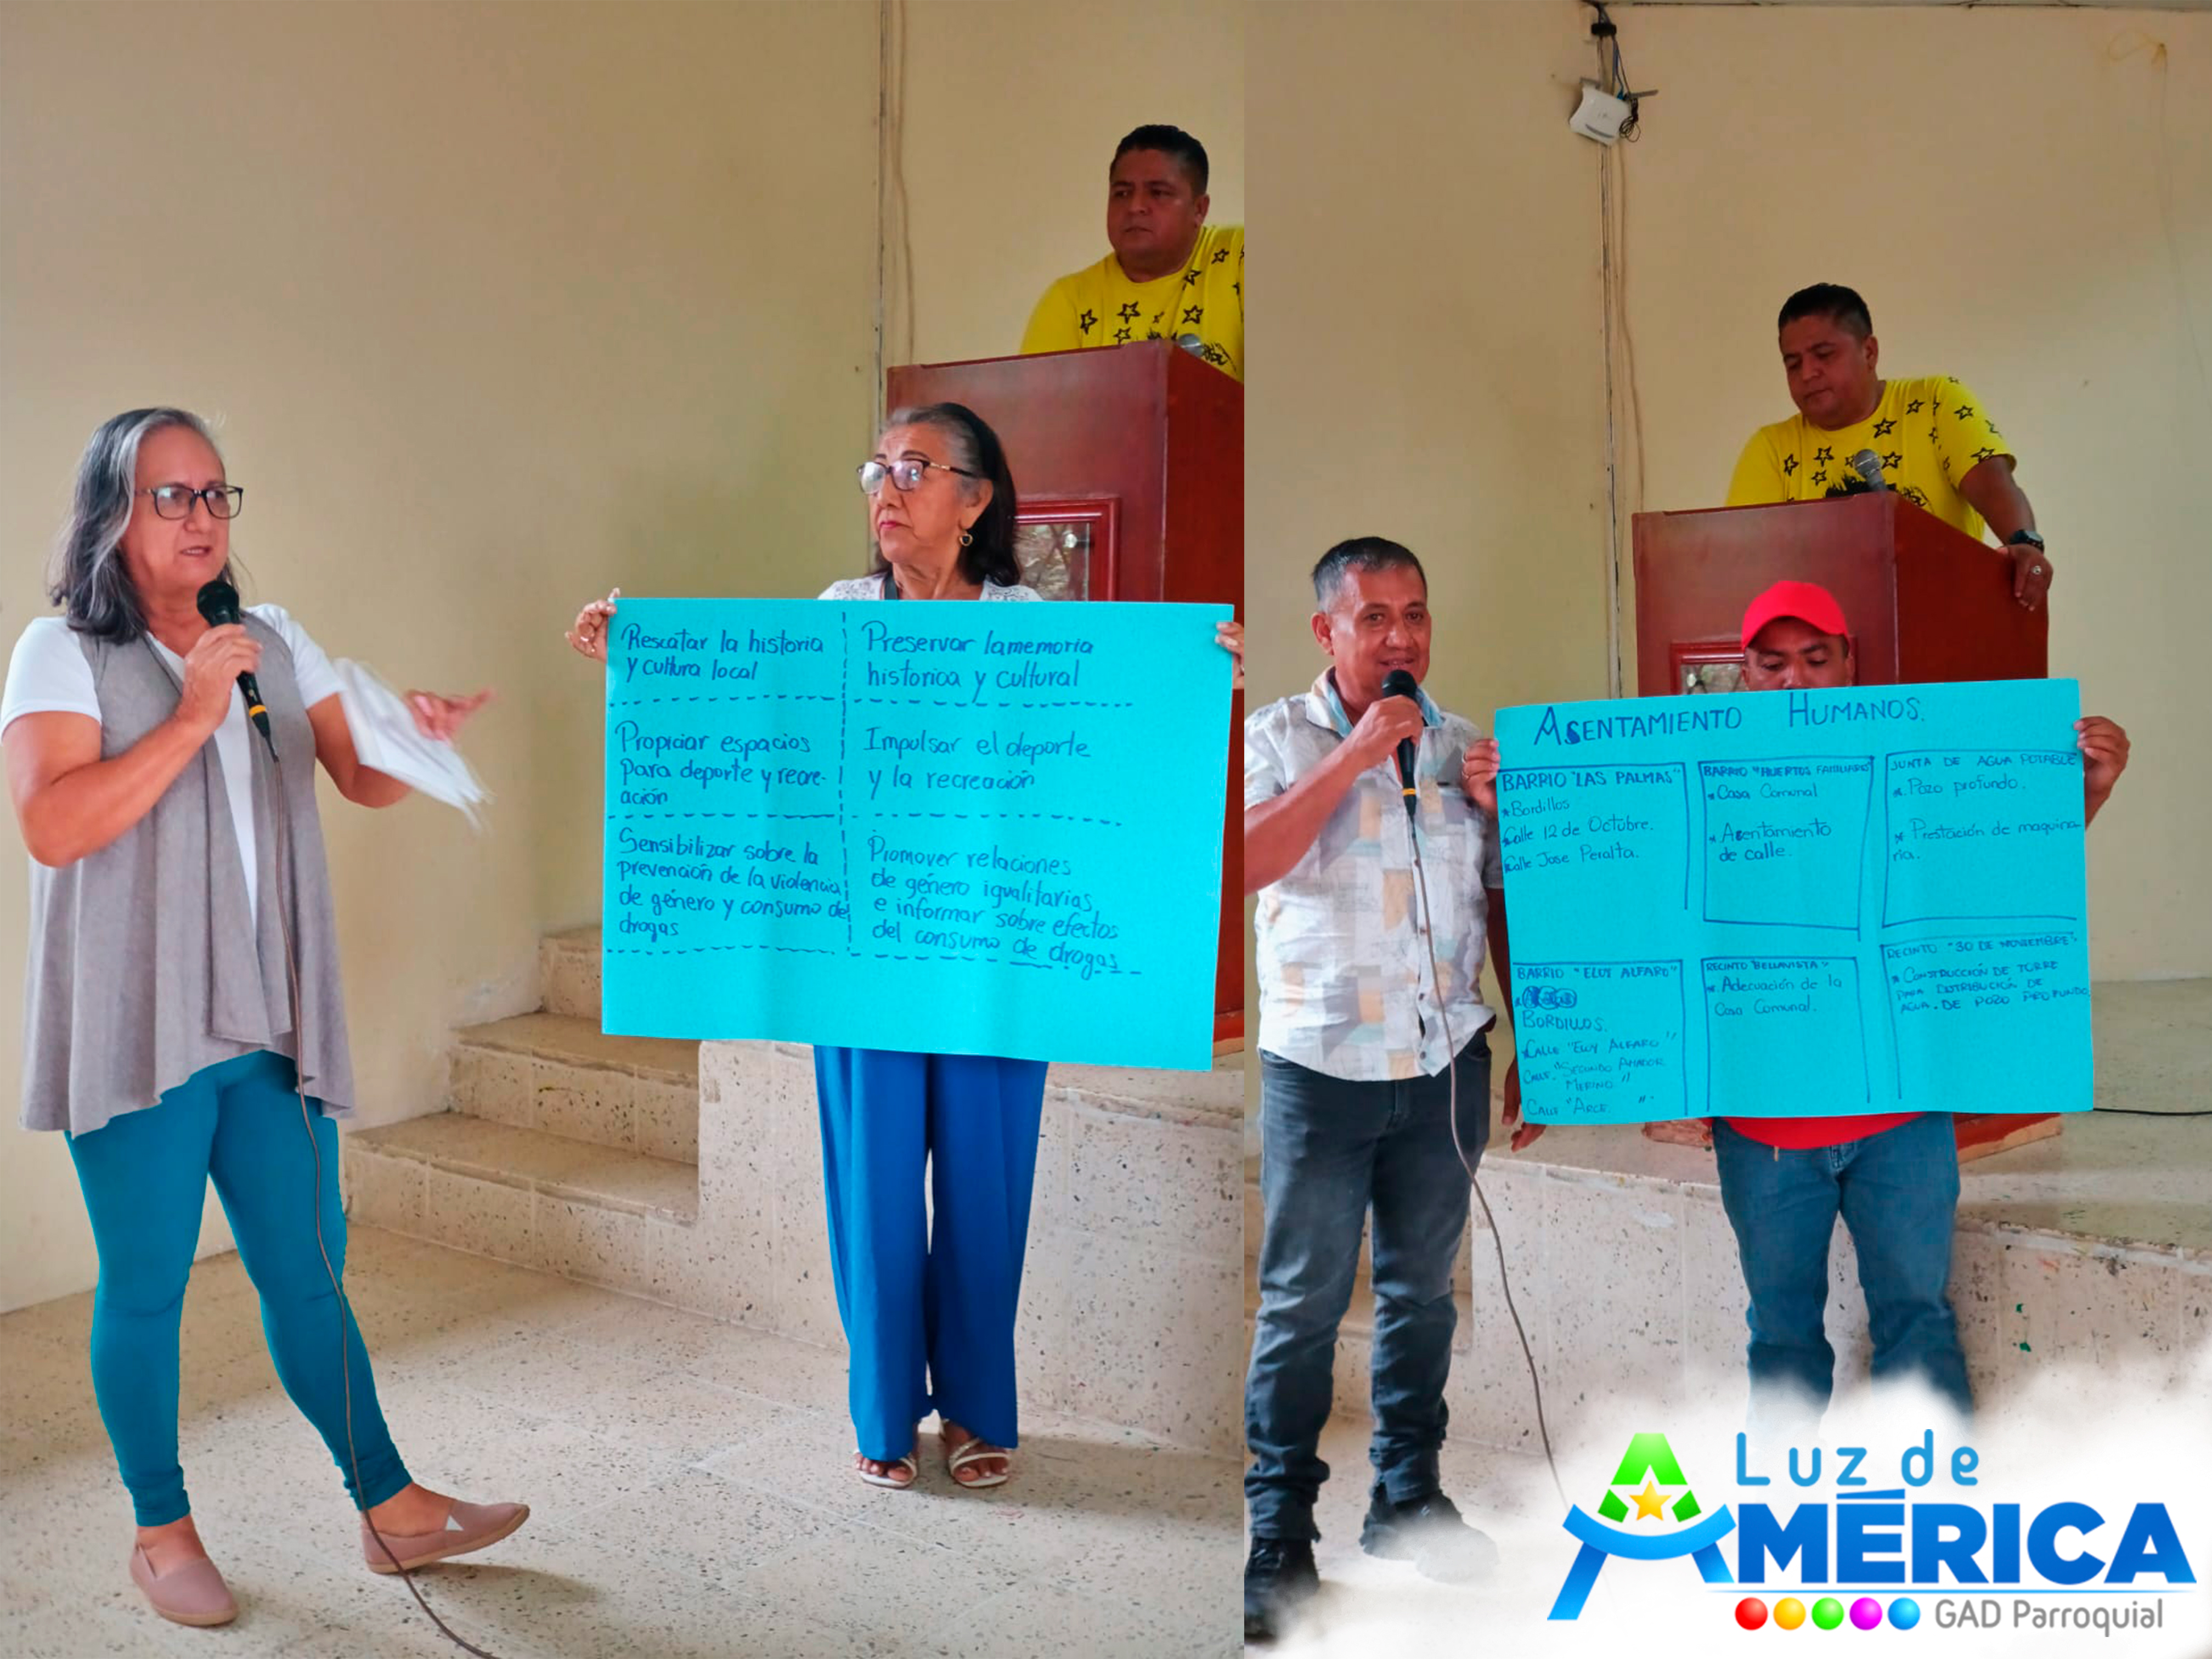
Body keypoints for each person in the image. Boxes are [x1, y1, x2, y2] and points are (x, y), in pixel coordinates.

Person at [567, 402, 1242, 1493]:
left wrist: (1201, 681)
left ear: (976, 499)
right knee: (873, 1195)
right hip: (862, 967)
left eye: (915, 468)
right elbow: (760, 730)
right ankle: (882, 1410)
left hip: (993, 964)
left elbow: (1107, 751)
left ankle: (976, 1409)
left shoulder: (1032, 622)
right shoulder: (840, 613)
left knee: (985, 1191)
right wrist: (641, 660)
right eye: (877, 468)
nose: (887, 488)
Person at [2, 409, 518, 1629]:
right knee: (145, 1285)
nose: (201, 517)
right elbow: (53, 825)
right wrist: (189, 714)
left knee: (307, 1272)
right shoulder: (60, 651)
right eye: (170, 495)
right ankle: (161, 1528)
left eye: (215, 493)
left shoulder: (270, 639)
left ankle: (391, 1509)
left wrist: (413, 739)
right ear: (112, 513)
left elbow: (357, 775)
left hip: (271, 1020)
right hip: (143, 1026)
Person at [1472, 579, 2130, 1427]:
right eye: (1773, 663)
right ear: (1743, 674)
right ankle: (1782, 1499)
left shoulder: (1901, 766)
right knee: (1782, 1337)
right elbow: (1612, 897)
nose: (1795, 681)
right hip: (1765, 1133)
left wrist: (2089, 791)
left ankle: (1936, 1494)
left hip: (1902, 1120)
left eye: (1816, 659)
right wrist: (1518, 810)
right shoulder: (1694, 780)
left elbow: (1992, 876)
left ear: (1850, 663)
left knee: (1918, 1321)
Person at [1239, 537, 1520, 1643]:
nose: (1400, 636)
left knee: (1422, 1293)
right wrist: (1354, 756)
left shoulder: (1459, 746)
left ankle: (1408, 1494)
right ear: (1327, 630)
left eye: (1415, 614)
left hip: (1445, 1062)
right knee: (1301, 1305)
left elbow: (1500, 901)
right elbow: (1244, 863)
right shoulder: (1273, 737)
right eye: (1374, 617)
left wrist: (1501, 815)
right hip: (1323, 1072)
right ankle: (1279, 1534)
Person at [1727, 284, 2052, 612]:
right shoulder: (1771, 448)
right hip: (1826, 637)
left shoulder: (1935, 402)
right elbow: (1741, 563)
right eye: (1793, 364)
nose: (1808, 373)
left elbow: (1994, 486)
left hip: (1945, 620)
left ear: (1869, 352)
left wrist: (2024, 544)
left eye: (1824, 355)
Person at [1020, 123, 1244, 381]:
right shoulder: (1070, 301)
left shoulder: (1240, 255)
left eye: (1158, 193)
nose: (1135, 206)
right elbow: (1037, 404)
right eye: (1122, 193)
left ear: (1199, 210)